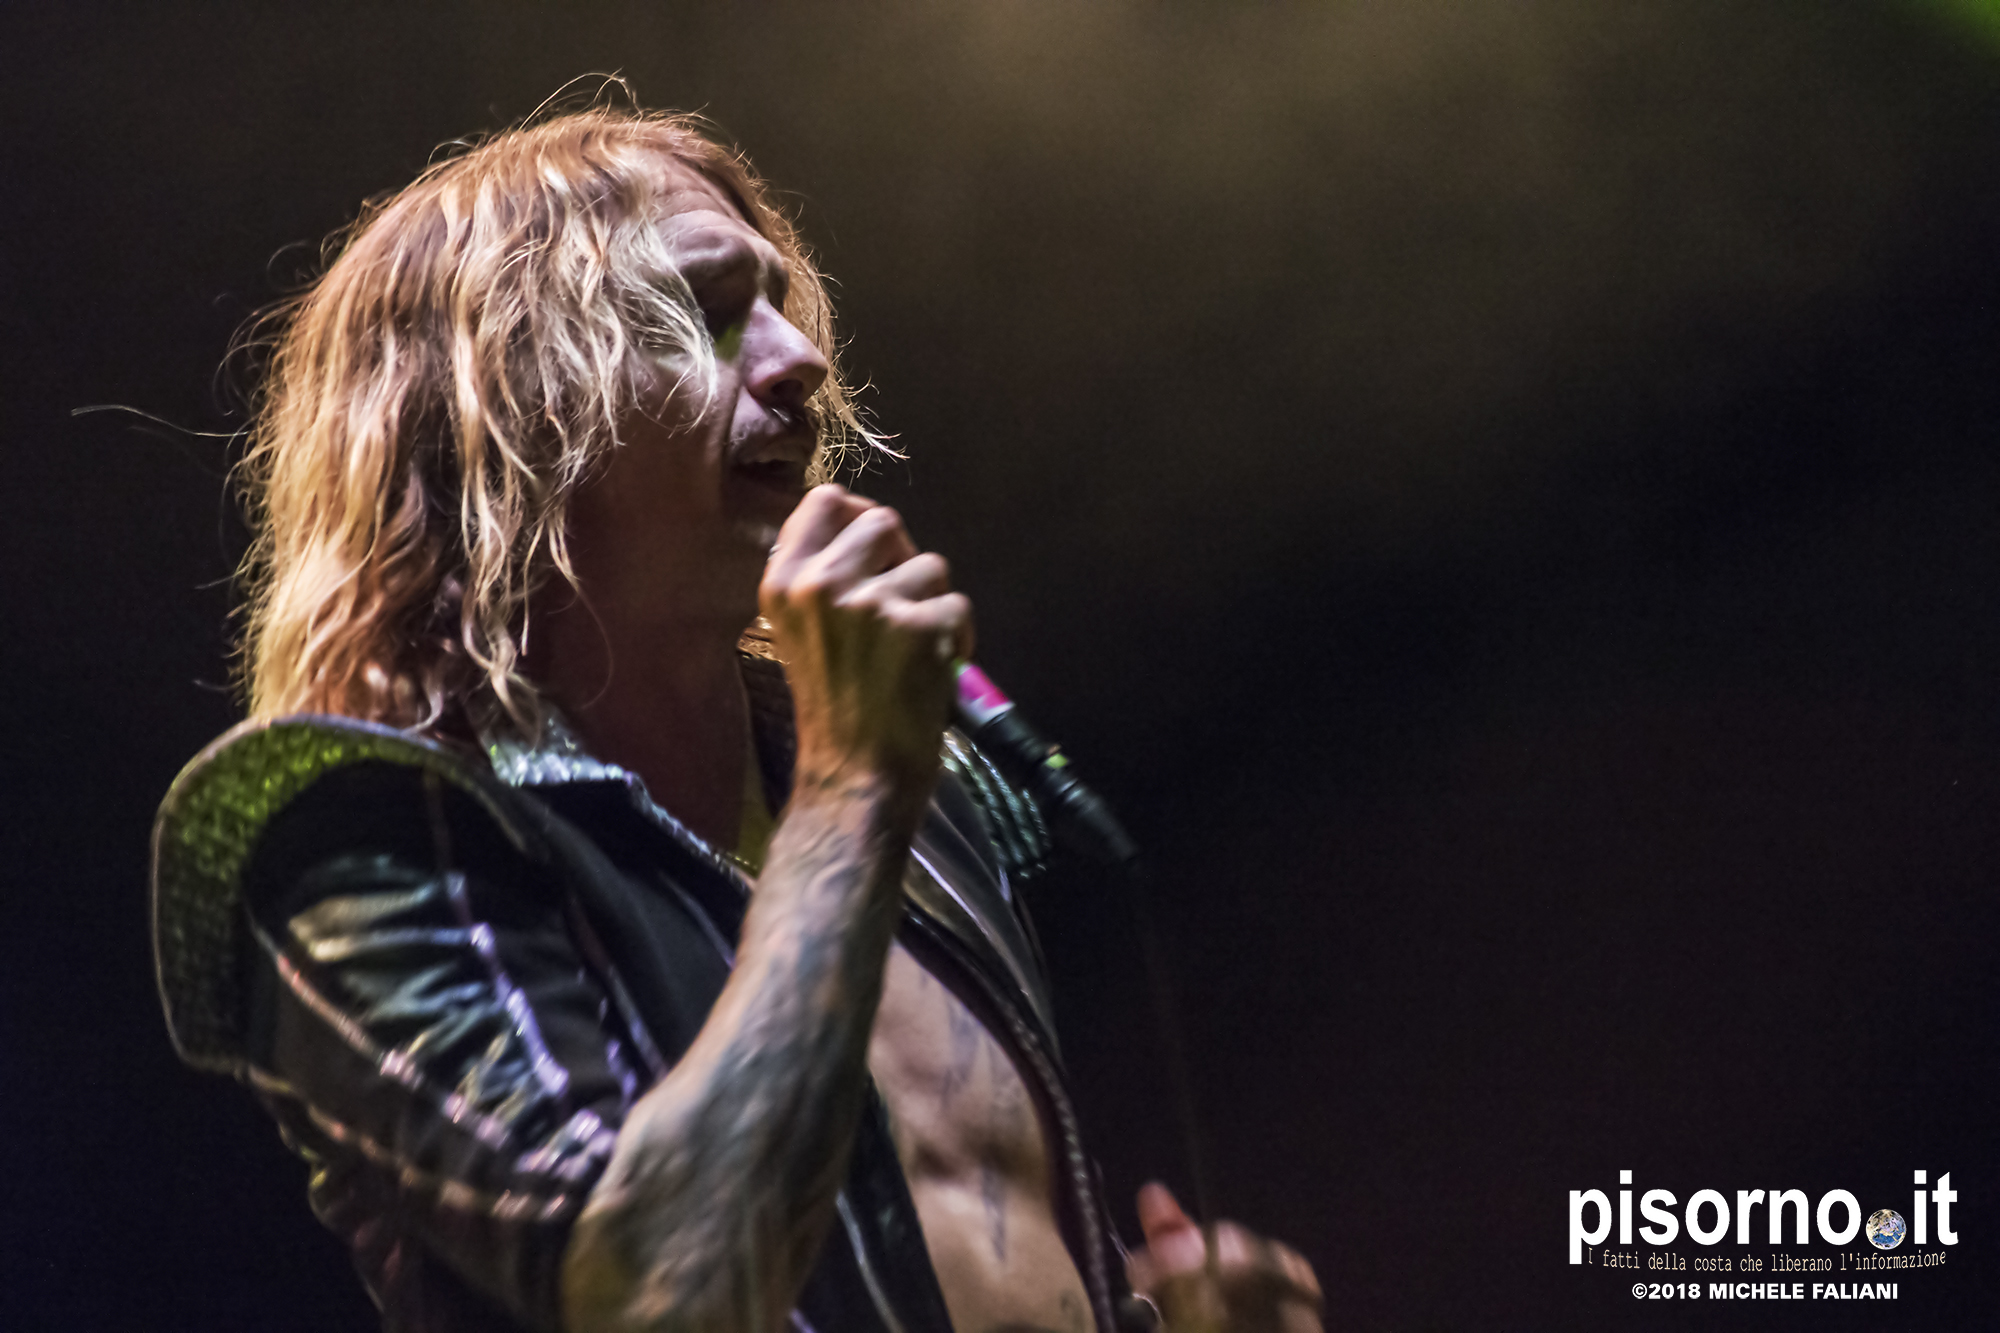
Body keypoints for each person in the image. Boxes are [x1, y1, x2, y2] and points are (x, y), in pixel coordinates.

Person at [150, 106, 1324, 1333]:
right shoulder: (356, 838)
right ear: (512, 411)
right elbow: (658, 1289)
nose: (800, 358)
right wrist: (851, 795)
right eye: (706, 313)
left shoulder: (919, 793)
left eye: (780, 304)